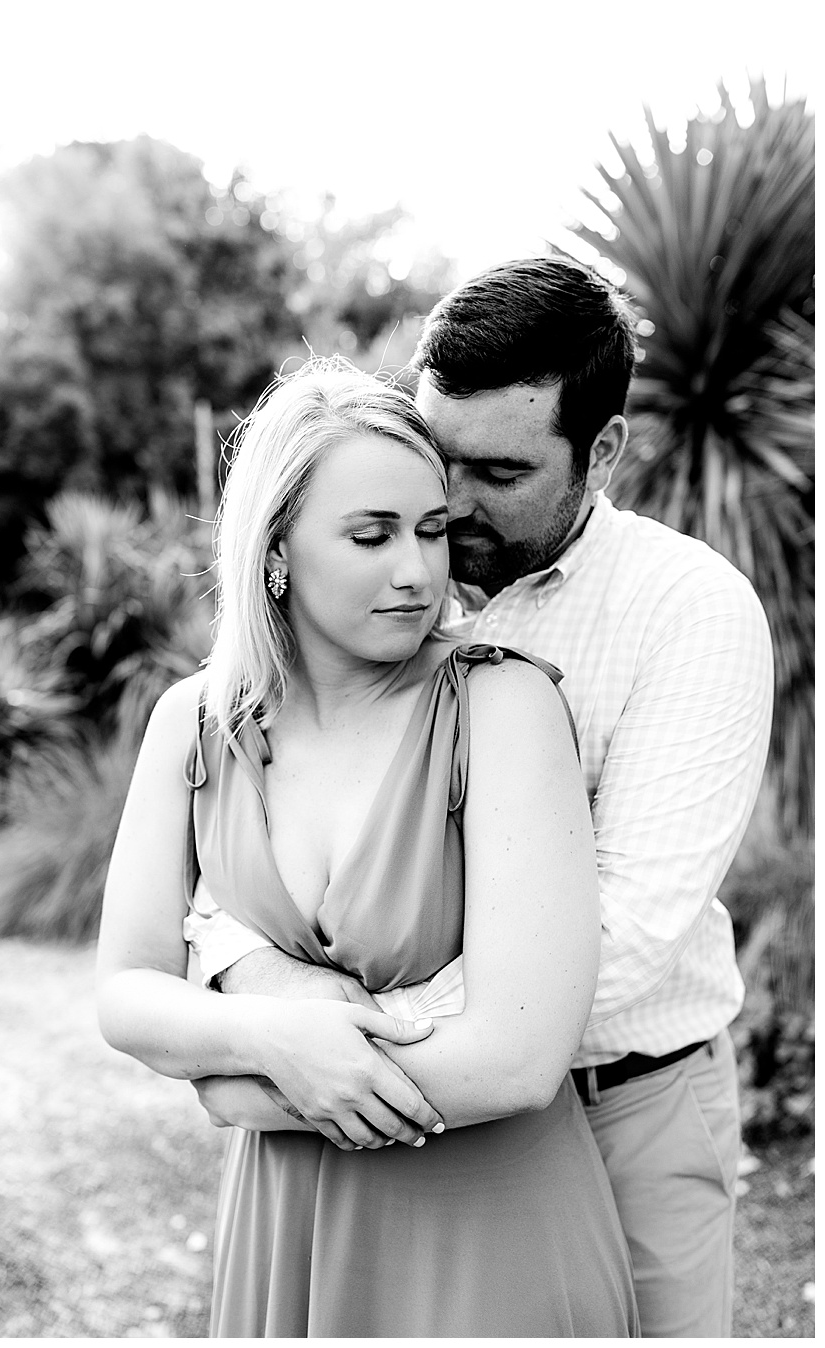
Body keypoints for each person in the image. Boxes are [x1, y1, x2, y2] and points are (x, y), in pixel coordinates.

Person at [188, 258, 772, 1337]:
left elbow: (628, 930)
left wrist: (325, 1045)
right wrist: (253, 970)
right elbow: (263, 811)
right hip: (420, 1130)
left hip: (622, 1103)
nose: (447, 506)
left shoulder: (691, 612)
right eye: (432, 452)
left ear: (602, 453)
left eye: (497, 470)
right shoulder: (384, 583)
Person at [97, 358, 639, 1335]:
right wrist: (270, 1039)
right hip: (288, 1226)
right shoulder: (194, 724)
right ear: (275, 551)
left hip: (491, 1230)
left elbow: (518, 1058)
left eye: (430, 530)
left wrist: (241, 1089)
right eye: (372, 535)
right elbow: (126, 990)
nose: (418, 570)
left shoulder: (501, 703)